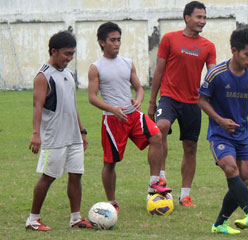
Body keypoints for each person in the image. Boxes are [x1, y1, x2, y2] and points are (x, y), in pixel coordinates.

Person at [198, 27, 248, 235]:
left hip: (243, 135)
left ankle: (219, 224)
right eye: (247, 54)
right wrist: (219, 120)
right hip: (220, 133)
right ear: (234, 51)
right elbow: (201, 99)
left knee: (243, 179)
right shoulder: (217, 74)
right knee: (231, 170)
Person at [88, 22, 170, 213]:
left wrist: (139, 99)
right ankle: (112, 202)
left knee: (157, 136)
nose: (117, 44)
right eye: (112, 40)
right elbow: (92, 97)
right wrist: (112, 109)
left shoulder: (127, 62)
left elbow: (139, 88)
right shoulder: (96, 67)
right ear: (101, 42)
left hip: (133, 116)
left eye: (119, 40)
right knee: (110, 162)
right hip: (113, 120)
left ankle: (154, 184)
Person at [147, 1, 216, 207]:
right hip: (169, 97)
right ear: (187, 18)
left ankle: (185, 195)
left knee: (191, 147)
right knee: (161, 128)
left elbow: (212, 76)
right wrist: (152, 101)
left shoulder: (208, 46)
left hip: (193, 102)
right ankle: (159, 179)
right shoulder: (170, 39)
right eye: (198, 17)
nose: (202, 21)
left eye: (204, 18)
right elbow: (158, 71)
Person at [26, 31, 92, 231]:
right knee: (48, 176)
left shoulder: (68, 74)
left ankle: (75, 218)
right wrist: (36, 134)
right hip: (53, 137)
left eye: (72, 54)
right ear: (54, 51)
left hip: (73, 136)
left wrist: (82, 131)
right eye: (66, 54)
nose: (70, 58)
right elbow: (37, 106)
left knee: (76, 174)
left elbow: (72, 105)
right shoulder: (43, 75)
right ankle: (33, 220)